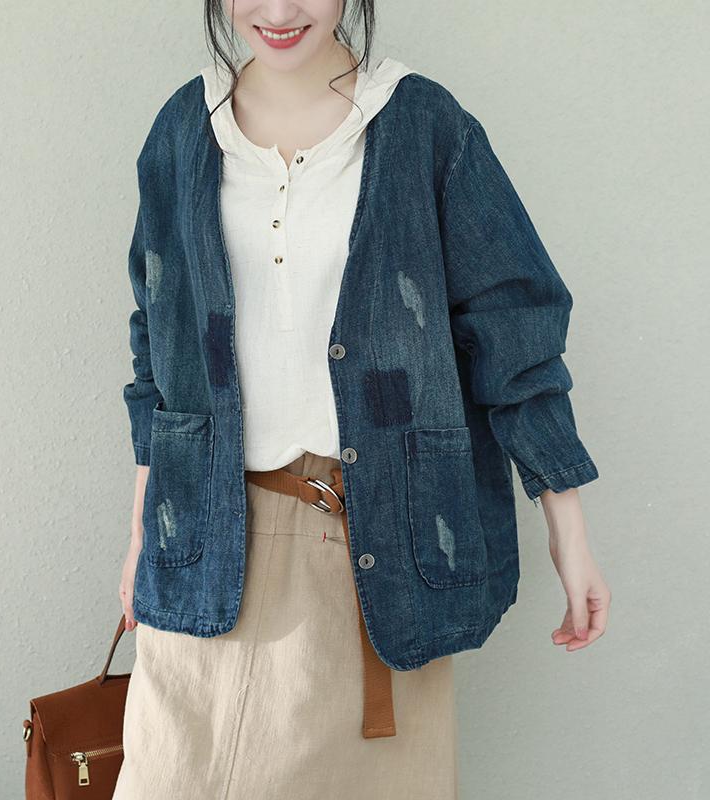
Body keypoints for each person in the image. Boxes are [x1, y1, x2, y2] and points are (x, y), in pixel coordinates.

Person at [111, 2, 611, 798]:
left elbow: (514, 329)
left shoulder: (423, 126)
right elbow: (158, 344)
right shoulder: (183, 130)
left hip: (381, 556)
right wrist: (144, 529)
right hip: (207, 545)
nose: (280, 11)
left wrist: (569, 532)